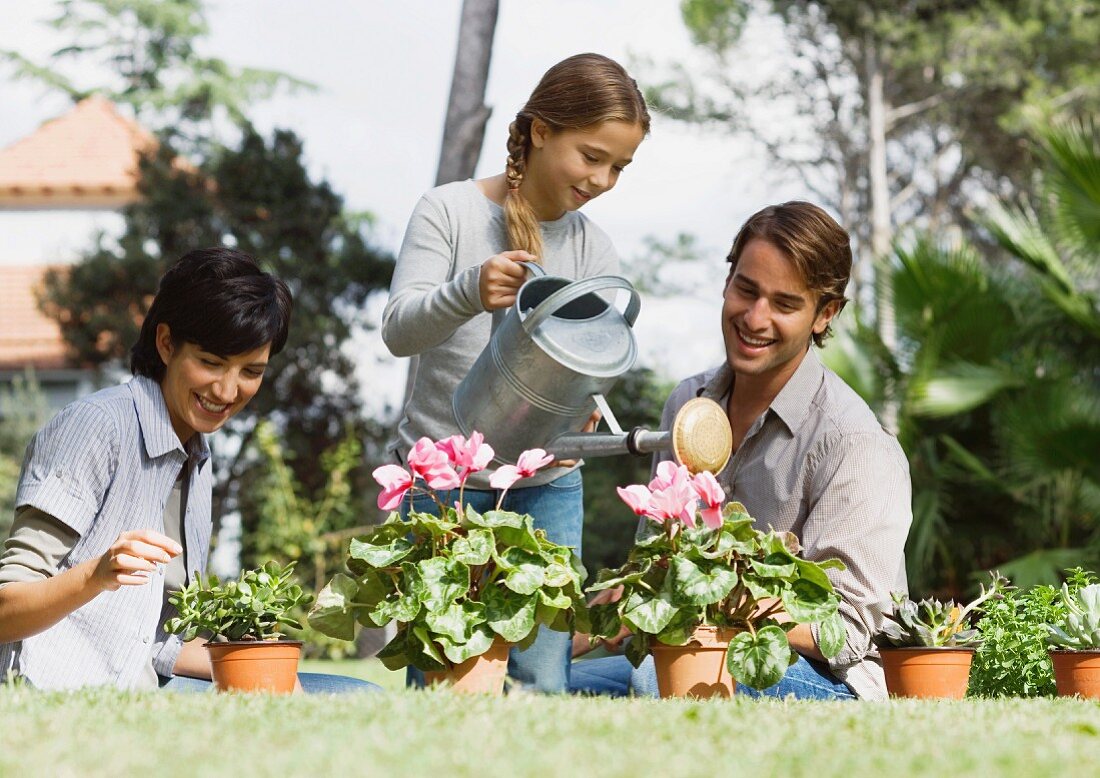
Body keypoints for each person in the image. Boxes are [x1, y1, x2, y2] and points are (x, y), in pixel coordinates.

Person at [381, 52, 650, 693]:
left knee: (539, 676)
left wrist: (582, 404)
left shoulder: (592, 249)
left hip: (548, 487)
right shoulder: (448, 213)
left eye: (620, 166)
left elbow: (586, 365)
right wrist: (469, 291)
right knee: (444, 675)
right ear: (539, 130)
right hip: (444, 482)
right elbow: (398, 330)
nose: (604, 178)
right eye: (592, 156)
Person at [569, 202, 913, 700]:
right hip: (689, 647)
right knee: (544, 687)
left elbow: (844, 629)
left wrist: (704, 598)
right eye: (746, 290)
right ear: (727, 281)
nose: (755, 318)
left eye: (785, 304)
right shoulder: (688, 403)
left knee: (660, 680)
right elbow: (655, 561)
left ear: (825, 314)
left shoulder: (854, 443)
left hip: (830, 680)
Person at [0, 247, 375, 693]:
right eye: (211, 363)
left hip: (149, 684)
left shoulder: (196, 451)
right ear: (166, 343)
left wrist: (263, 667)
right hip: (67, 688)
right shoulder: (96, 428)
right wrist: (96, 575)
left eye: (251, 371)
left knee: (355, 695)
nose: (227, 390)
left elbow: (158, 641)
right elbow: (6, 611)